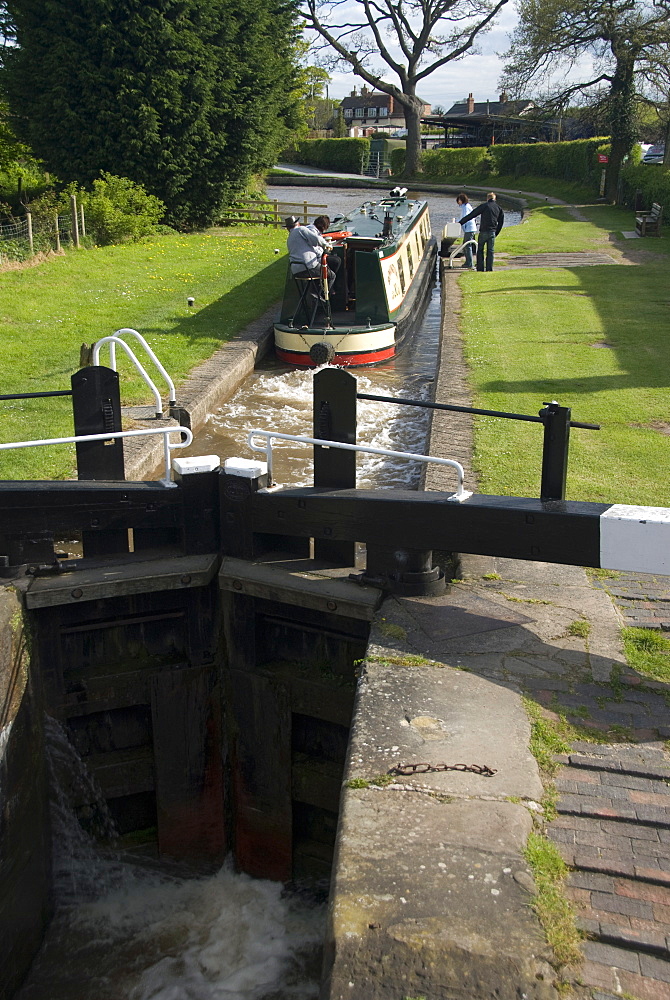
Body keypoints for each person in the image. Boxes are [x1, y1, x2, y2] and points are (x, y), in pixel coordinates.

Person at [284, 215, 337, 292]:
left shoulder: (289, 238)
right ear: (297, 223)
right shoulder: (300, 229)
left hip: (296, 271)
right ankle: (321, 298)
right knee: (331, 275)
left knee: (320, 274)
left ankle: (314, 294)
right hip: (308, 267)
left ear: (288, 228)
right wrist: (327, 245)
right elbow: (316, 239)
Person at [458, 193, 505, 272]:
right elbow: (501, 222)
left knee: (480, 250)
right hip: (492, 232)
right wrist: (496, 232)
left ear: (487, 199)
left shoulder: (484, 206)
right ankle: (489, 268)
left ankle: (480, 268)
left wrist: (461, 222)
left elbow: (472, 214)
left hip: (483, 231)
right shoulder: (498, 208)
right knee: (490, 251)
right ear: (495, 199)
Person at [456, 192, 477, 269]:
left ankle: (470, 263)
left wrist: (458, 222)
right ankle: (468, 262)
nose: (458, 202)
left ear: (462, 200)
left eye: (459, 200)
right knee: (466, 245)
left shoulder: (465, 207)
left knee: (467, 245)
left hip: (469, 228)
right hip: (470, 228)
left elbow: (465, 218)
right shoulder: (466, 207)